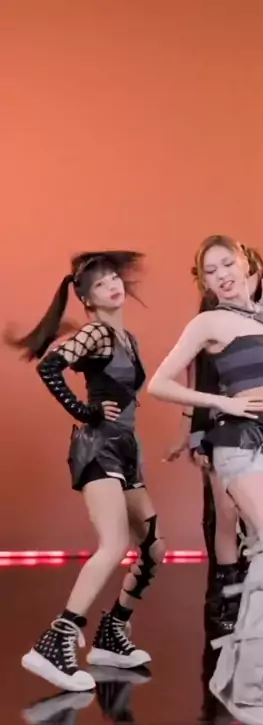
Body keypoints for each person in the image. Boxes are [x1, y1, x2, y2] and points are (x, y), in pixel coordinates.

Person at [148, 234, 263, 725]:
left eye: (227, 264)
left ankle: (260, 667)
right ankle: (239, 683)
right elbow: (159, 383)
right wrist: (222, 404)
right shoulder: (209, 322)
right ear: (204, 282)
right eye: (210, 270)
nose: (222, 275)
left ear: (246, 264)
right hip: (237, 442)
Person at [5, 251, 165, 692]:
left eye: (114, 278)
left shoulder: (126, 337)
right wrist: (84, 410)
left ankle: (111, 634)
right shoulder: (96, 332)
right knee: (114, 544)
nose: (113, 285)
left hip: (125, 449)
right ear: (87, 300)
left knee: (153, 548)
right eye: (100, 284)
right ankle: (53, 643)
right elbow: (50, 367)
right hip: (98, 449)